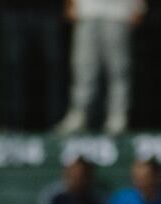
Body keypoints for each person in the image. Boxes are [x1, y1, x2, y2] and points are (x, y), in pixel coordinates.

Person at [54, 0, 147, 136]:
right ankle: (80, 113)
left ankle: (118, 115)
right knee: (83, 67)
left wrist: (139, 7)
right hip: (87, 11)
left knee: (118, 69)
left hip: (118, 13)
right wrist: (70, 4)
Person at [0, 0, 68, 130]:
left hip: (49, 9)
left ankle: (57, 121)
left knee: (54, 67)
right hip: (14, 8)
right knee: (13, 67)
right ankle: (12, 123)